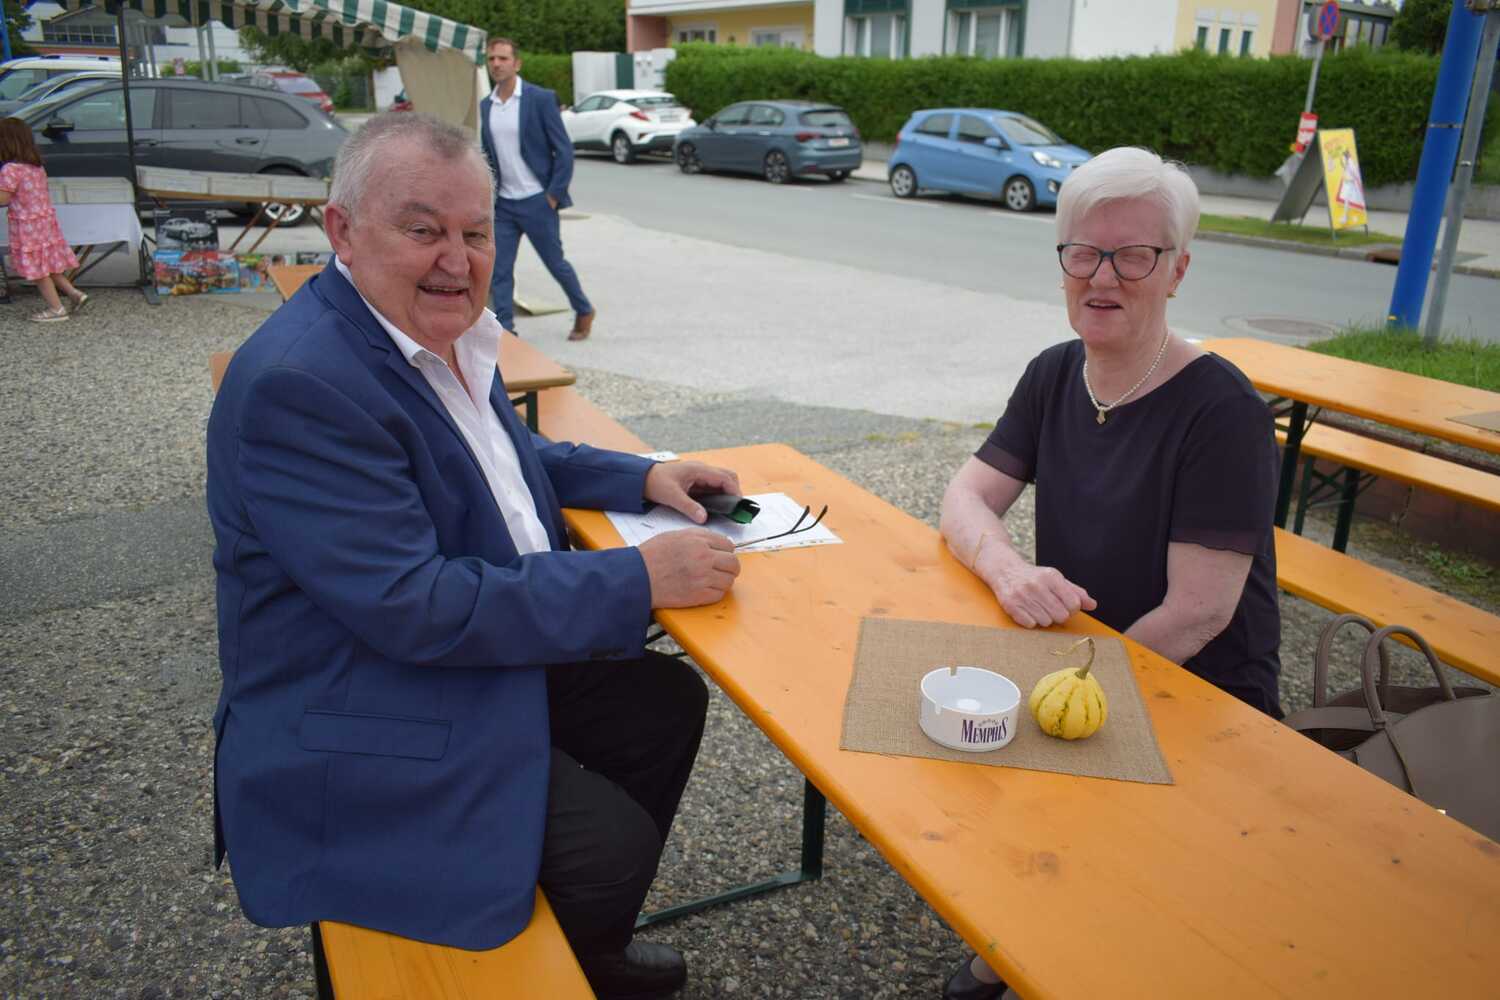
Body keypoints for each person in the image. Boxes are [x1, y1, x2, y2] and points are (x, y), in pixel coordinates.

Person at [206, 113, 741, 1000]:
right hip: (361, 699)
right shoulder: (301, 384)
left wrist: (643, 476)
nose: (457, 260)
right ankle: (545, 951)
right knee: (608, 848)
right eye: (423, 230)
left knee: (662, 701)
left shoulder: (420, 328)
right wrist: (636, 576)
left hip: (428, 654)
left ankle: (589, 946)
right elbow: (416, 604)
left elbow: (502, 457)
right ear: (342, 230)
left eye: (476, 234)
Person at [936, 147, 1282, 1000]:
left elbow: (1198, 614)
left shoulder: (1223, 410)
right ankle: (1027, 923)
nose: (1102, 276)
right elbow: (965, 500)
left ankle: (1039, 938)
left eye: (1134, 255)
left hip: (1198, 690)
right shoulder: (1056, 373)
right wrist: (1008, 570)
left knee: (1032, 789)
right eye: (1084, 252)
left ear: (1178, 271)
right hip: (1078, 655)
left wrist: (1068, 710)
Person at [479, 36, 597, 341]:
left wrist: (553, 195)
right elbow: (489, 155)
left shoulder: (540, 99)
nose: (496, 64)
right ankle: (506, 332)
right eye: (491, 59)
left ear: (516, 64)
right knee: (499, 270)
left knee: (555, 263)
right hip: (504, 204)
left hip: (538, 201)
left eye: (503, 58)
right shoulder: (486, 105)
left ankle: (583, 308)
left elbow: (564, 150)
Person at [0, 117, 87, 322]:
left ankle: (56, 309)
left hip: (27, 226)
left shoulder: (10, 170)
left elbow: (3, 199)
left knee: (38, 270)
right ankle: (74, 293)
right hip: (44, 223)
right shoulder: (36, 167)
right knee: (47, 264)